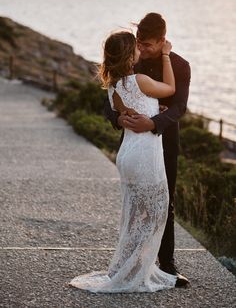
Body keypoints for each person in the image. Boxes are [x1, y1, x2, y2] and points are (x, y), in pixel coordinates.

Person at [69, 31, 188, 293]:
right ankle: (134, 270)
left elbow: (137, 108)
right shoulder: (141, 79)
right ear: (129, 55)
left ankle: (128, 266)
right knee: (155, 213)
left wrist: (156, 113)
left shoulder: (114, 85)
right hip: (145, 154)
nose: (139, 50)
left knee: (136, 215)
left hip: (127, 155)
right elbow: (170, 88)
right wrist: (166, 55)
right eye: (136, 47)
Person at [104, 13, 191, 283]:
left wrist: (152, 122)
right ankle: (135, 264)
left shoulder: (180, 65)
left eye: (148, 45)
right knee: (141, 205)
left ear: (163, 40)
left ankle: (166, 265)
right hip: (135, 145)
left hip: (164, 142)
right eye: (139, 43)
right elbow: (108, 102)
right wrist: (119, 118)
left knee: (166, 203)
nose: (142, 49)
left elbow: (178, 106)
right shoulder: (131, 65)